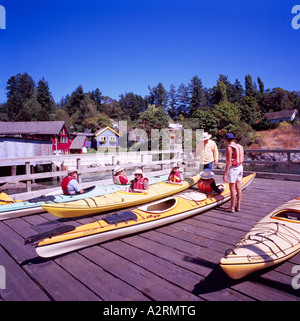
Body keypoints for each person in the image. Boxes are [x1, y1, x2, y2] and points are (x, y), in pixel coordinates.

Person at [223, 133, 244, 212]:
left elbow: (228, 162)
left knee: (232, 189)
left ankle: (232, 208)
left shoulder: (229, 147)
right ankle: (238, 206)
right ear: (233, 139)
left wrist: (225, 173)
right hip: (240, 167)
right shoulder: (240, 146)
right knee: (238, 188)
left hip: (233, 169)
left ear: (226, 140)